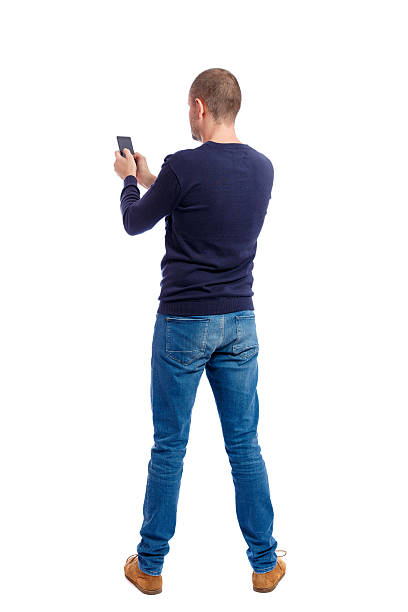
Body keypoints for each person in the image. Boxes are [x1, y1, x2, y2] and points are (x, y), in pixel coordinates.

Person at [114, 67, 286, 595]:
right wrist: (153, 180)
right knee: (245, 446)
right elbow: (201, 199)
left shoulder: (183, 167)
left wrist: (127, 179)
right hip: (240, 321)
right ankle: (264, 563)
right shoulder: (263, 168)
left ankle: (150, 566)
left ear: (199, 107)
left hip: (183, 324)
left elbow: (136, 222)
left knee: (169, 447)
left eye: (190, 110)